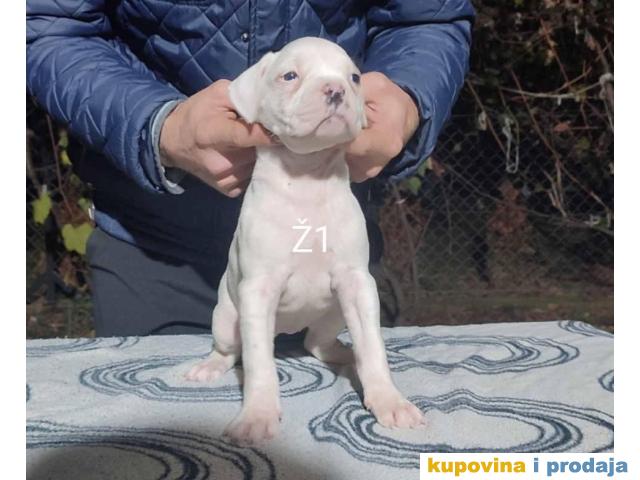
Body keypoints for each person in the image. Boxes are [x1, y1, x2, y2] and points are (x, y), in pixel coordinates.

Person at [26, 0, 474, 337]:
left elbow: (426, 17)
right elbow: (48, 27)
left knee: (349, 427)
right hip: (155, 247)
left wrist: (407, 97)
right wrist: (159, 125)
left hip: (329, 239)